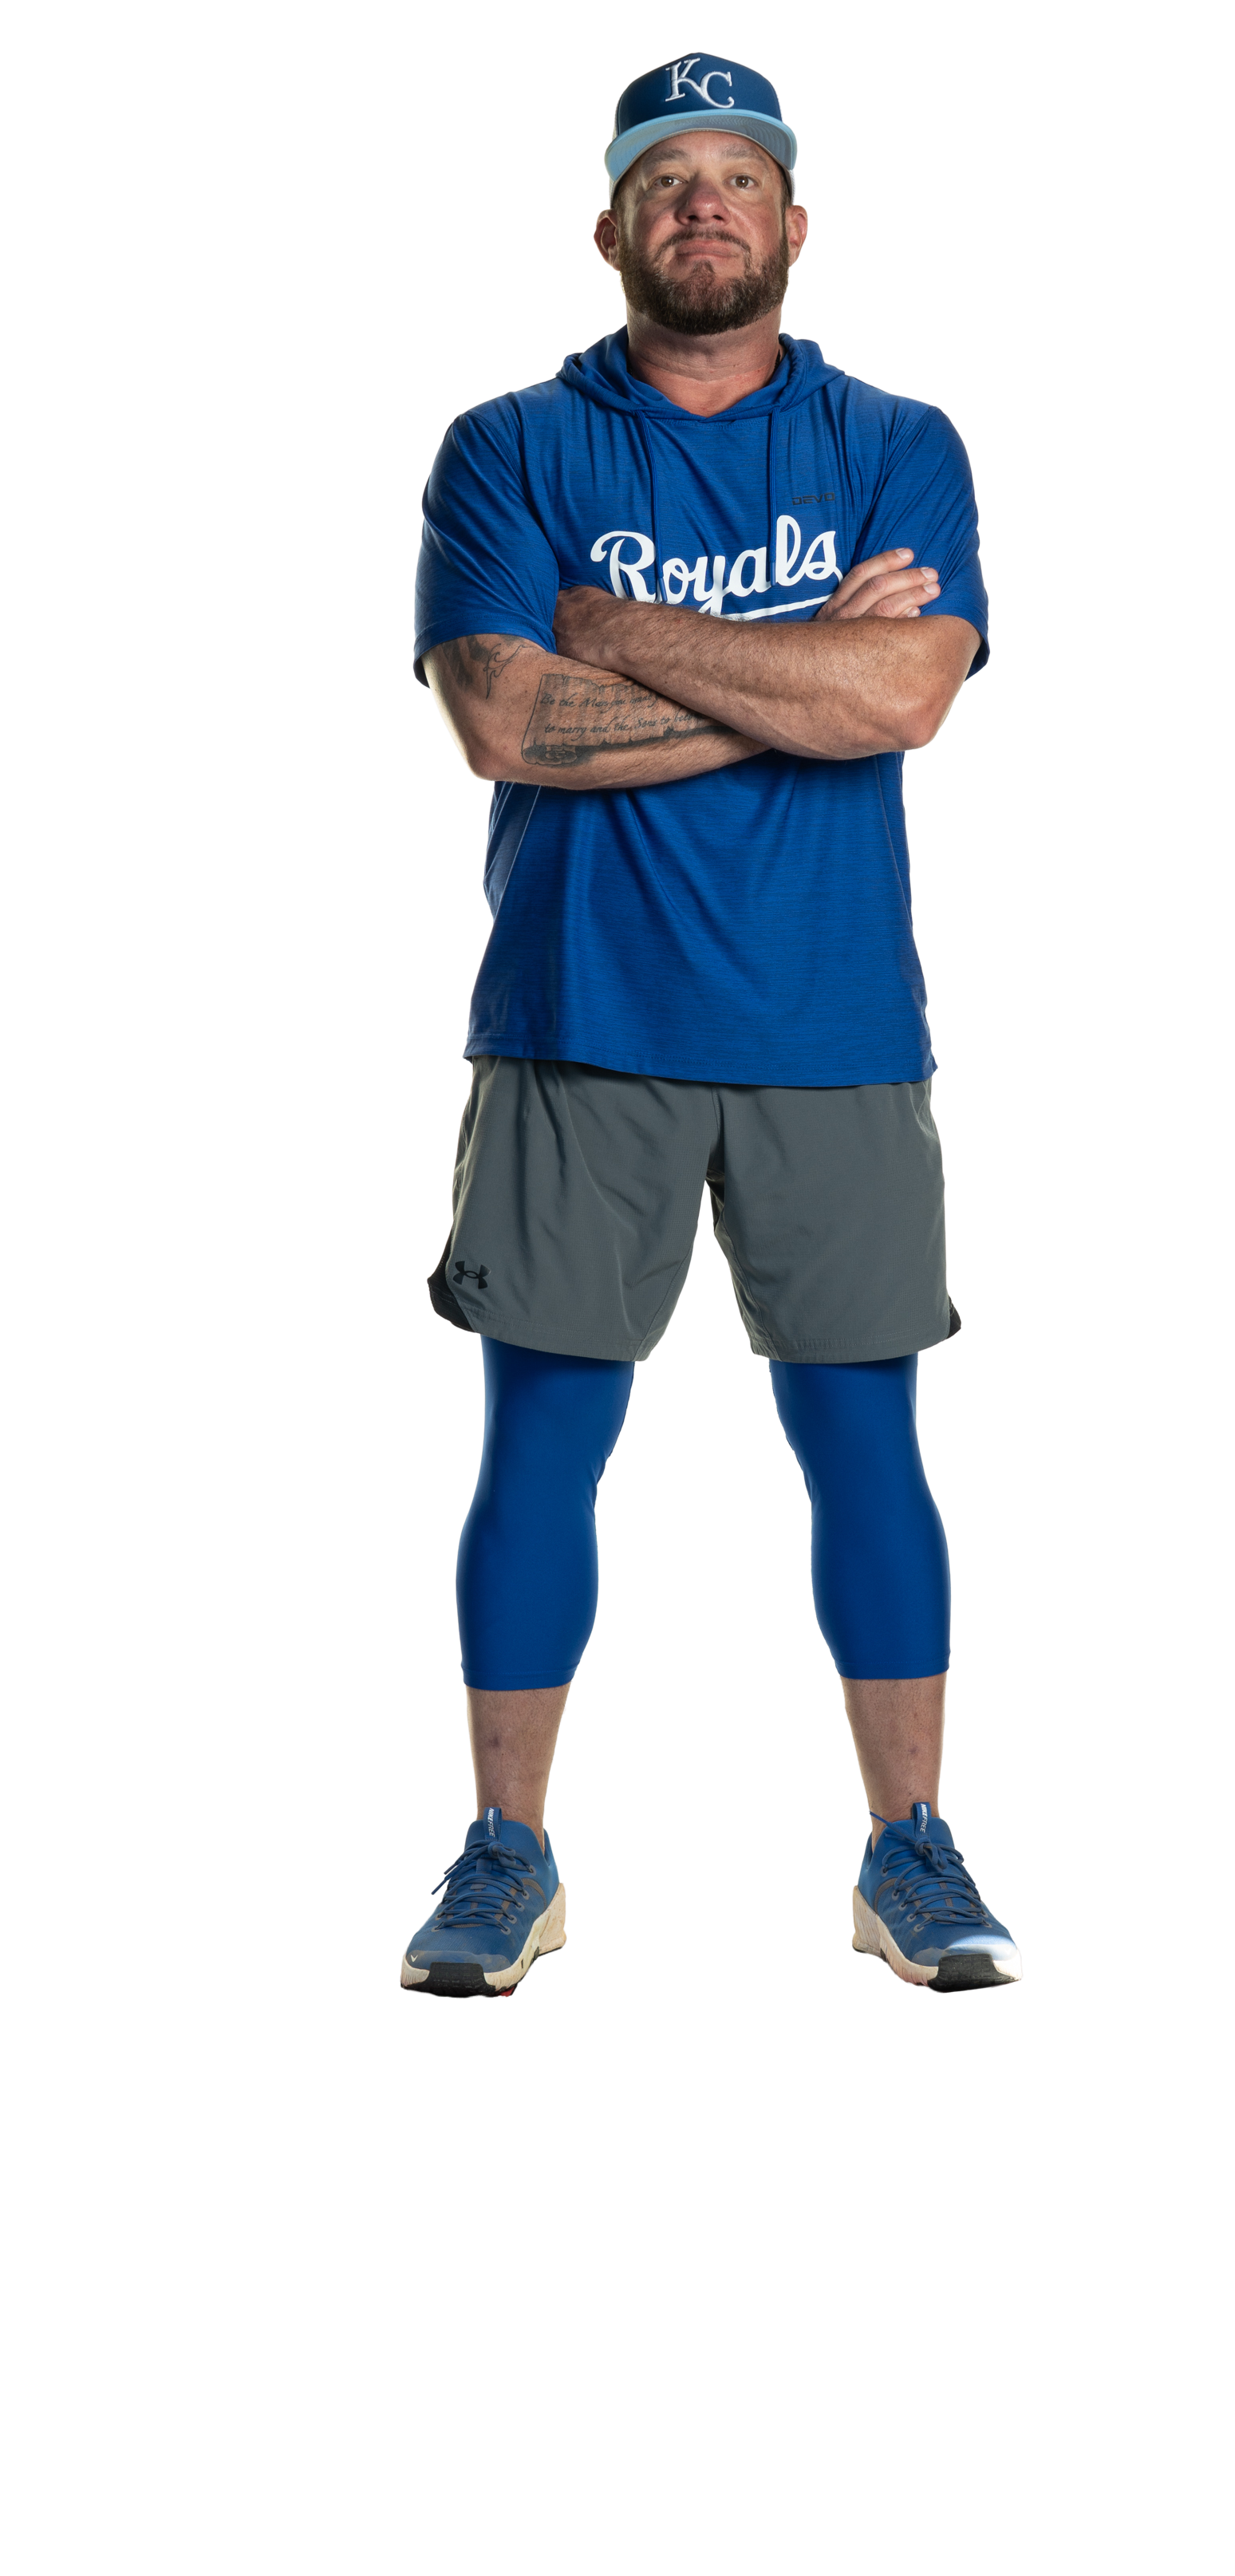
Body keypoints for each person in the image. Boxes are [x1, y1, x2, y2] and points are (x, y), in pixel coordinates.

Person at [404, 53, 1023, 1998]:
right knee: (540, 1444)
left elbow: (909, 699)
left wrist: (618, 631)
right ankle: (509, 1850)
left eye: (739, 175)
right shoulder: (507, 447)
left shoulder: (896, 439)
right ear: (607, 228)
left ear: (794, 226)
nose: (703, 202)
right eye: (665, 177)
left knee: (866, 1443)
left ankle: (906, 1849)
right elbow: (502, 721)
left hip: (837, 1023)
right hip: (578, 1014)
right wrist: (800, 663)